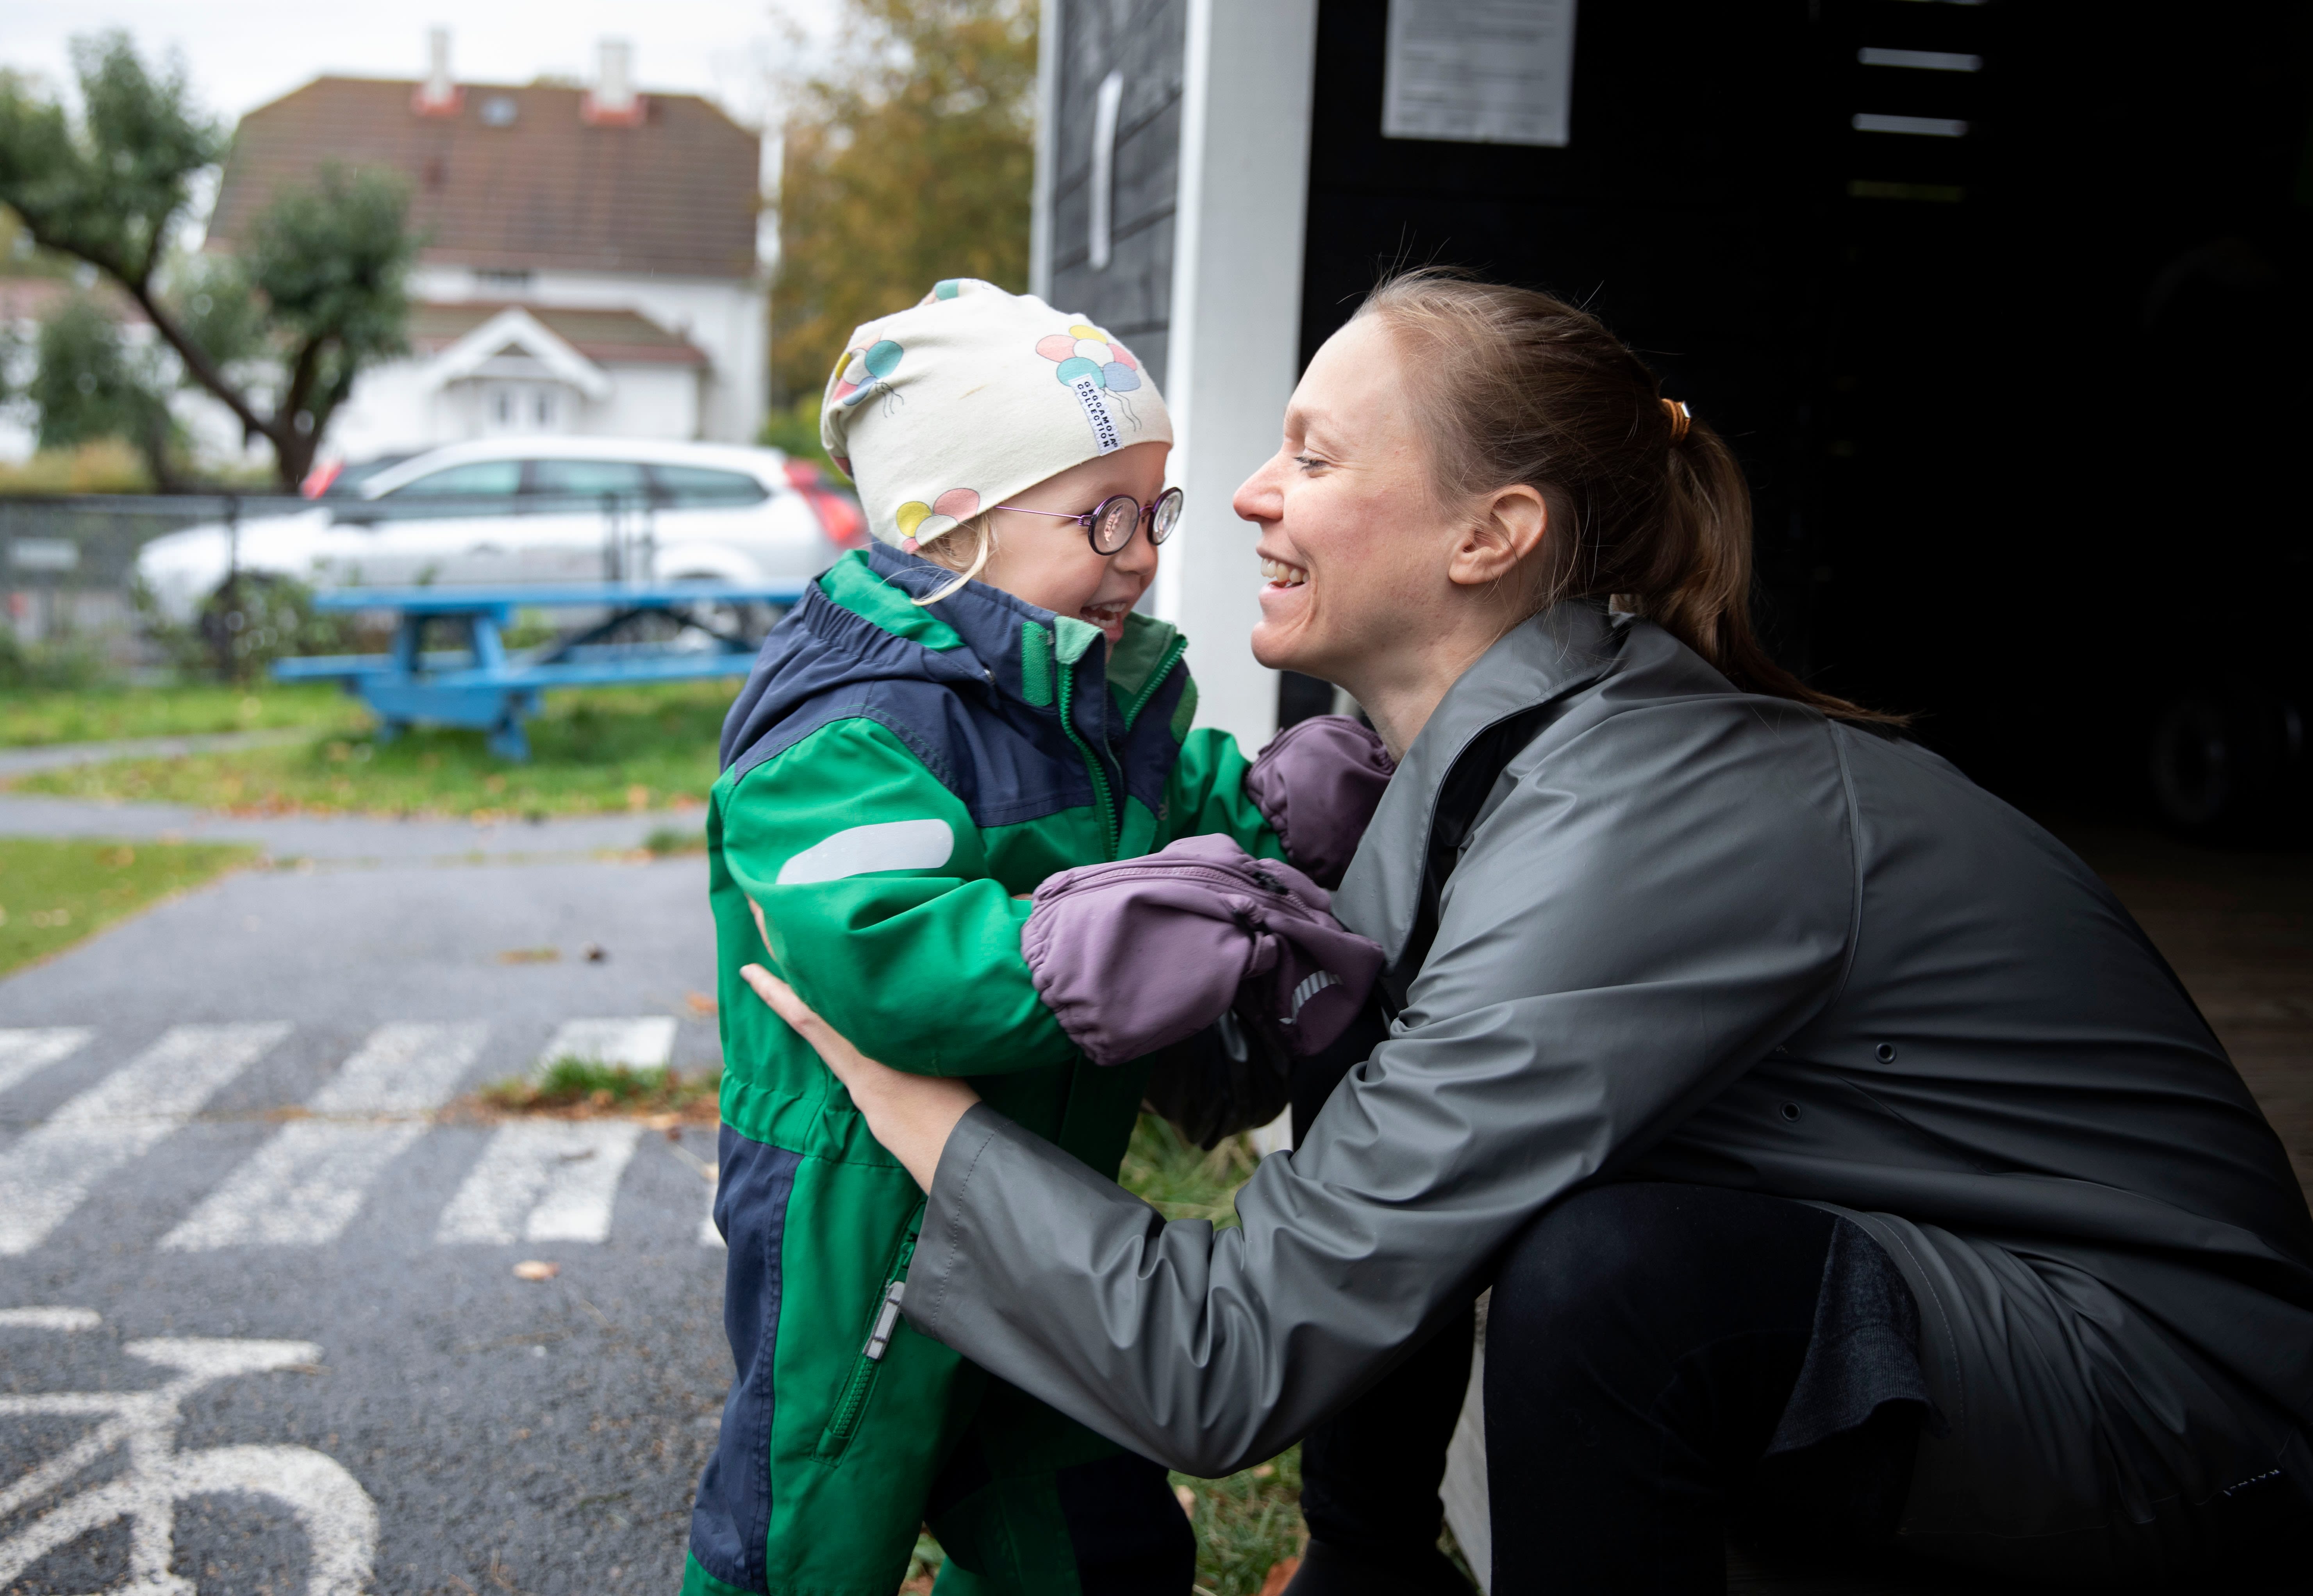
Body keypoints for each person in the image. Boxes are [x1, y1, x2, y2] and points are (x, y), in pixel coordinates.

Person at [742, 271, 2313, 1593]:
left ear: (1487, 535)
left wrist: (921, 1114)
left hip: (2182, 1406)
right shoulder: (1482, 775)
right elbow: (1347, 1161)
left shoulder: (1637, 820)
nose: (1247, 494)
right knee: (1442, 1110)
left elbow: (1230, 1361)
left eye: (1311, 453)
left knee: (1615, 1282)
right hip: (1959, 1318)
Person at [685, 278, 1389, 1596]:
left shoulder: (1083, 692)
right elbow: (889, 956)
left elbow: (1174, 807)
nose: (1140, 554)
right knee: (811, 1529)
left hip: (1037, 1199)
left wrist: (1297, 798)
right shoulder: (853, 729)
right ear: (949, 525)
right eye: (1102, 515)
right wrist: (1149, 933)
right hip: (863, 1211)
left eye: (1154, 511)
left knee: (1090, 1537)